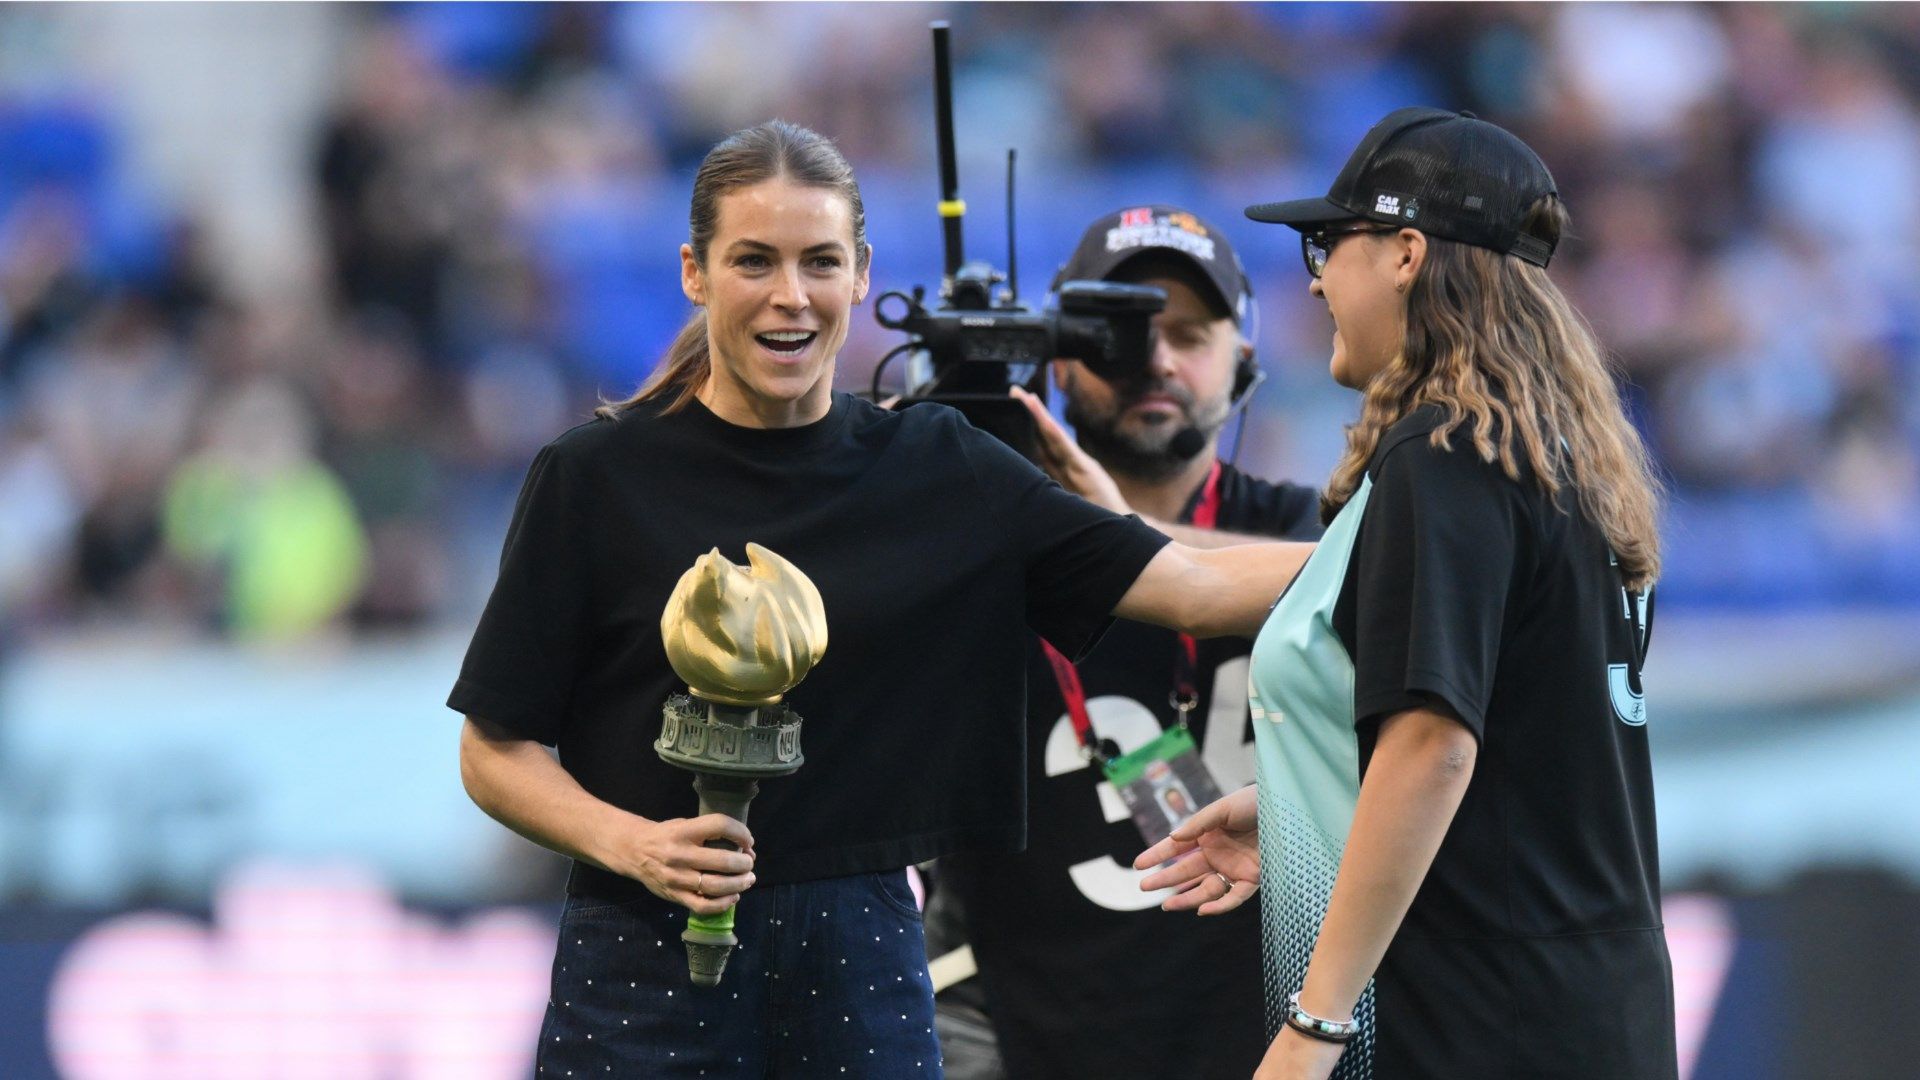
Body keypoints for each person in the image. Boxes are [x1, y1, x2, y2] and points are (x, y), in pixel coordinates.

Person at [449, 121, 1312, 1077]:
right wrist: (632, 844)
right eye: (753, 261)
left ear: (862, 275)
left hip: (860, 961)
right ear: (695, 273)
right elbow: (495, 750)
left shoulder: (938, 467)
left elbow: (1189, 587)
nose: (790, 295)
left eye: (820, 261)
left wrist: (1434, 547)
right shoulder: (593, 477)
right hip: (641, 954)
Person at [1103, 108, 1673, 1079]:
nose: (1316, 277)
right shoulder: (1551, 454)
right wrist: (1307, 816)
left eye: (1329, 243)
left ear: (1406, 253)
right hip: (1588, 1007)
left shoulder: (1447, 457)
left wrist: (1314, 1028)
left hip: (1486, 1025)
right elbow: (1521, 761)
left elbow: (1435, 746)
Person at [934, 206, 1321, 1080]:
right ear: (1058, 358)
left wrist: (1116, 535)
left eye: (1190, 333)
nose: (1156, 359)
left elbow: (1392, 577)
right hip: (1013, 1038)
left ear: (1245, 362)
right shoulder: (975, 533)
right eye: (1119, 332)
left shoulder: (1317, 531)